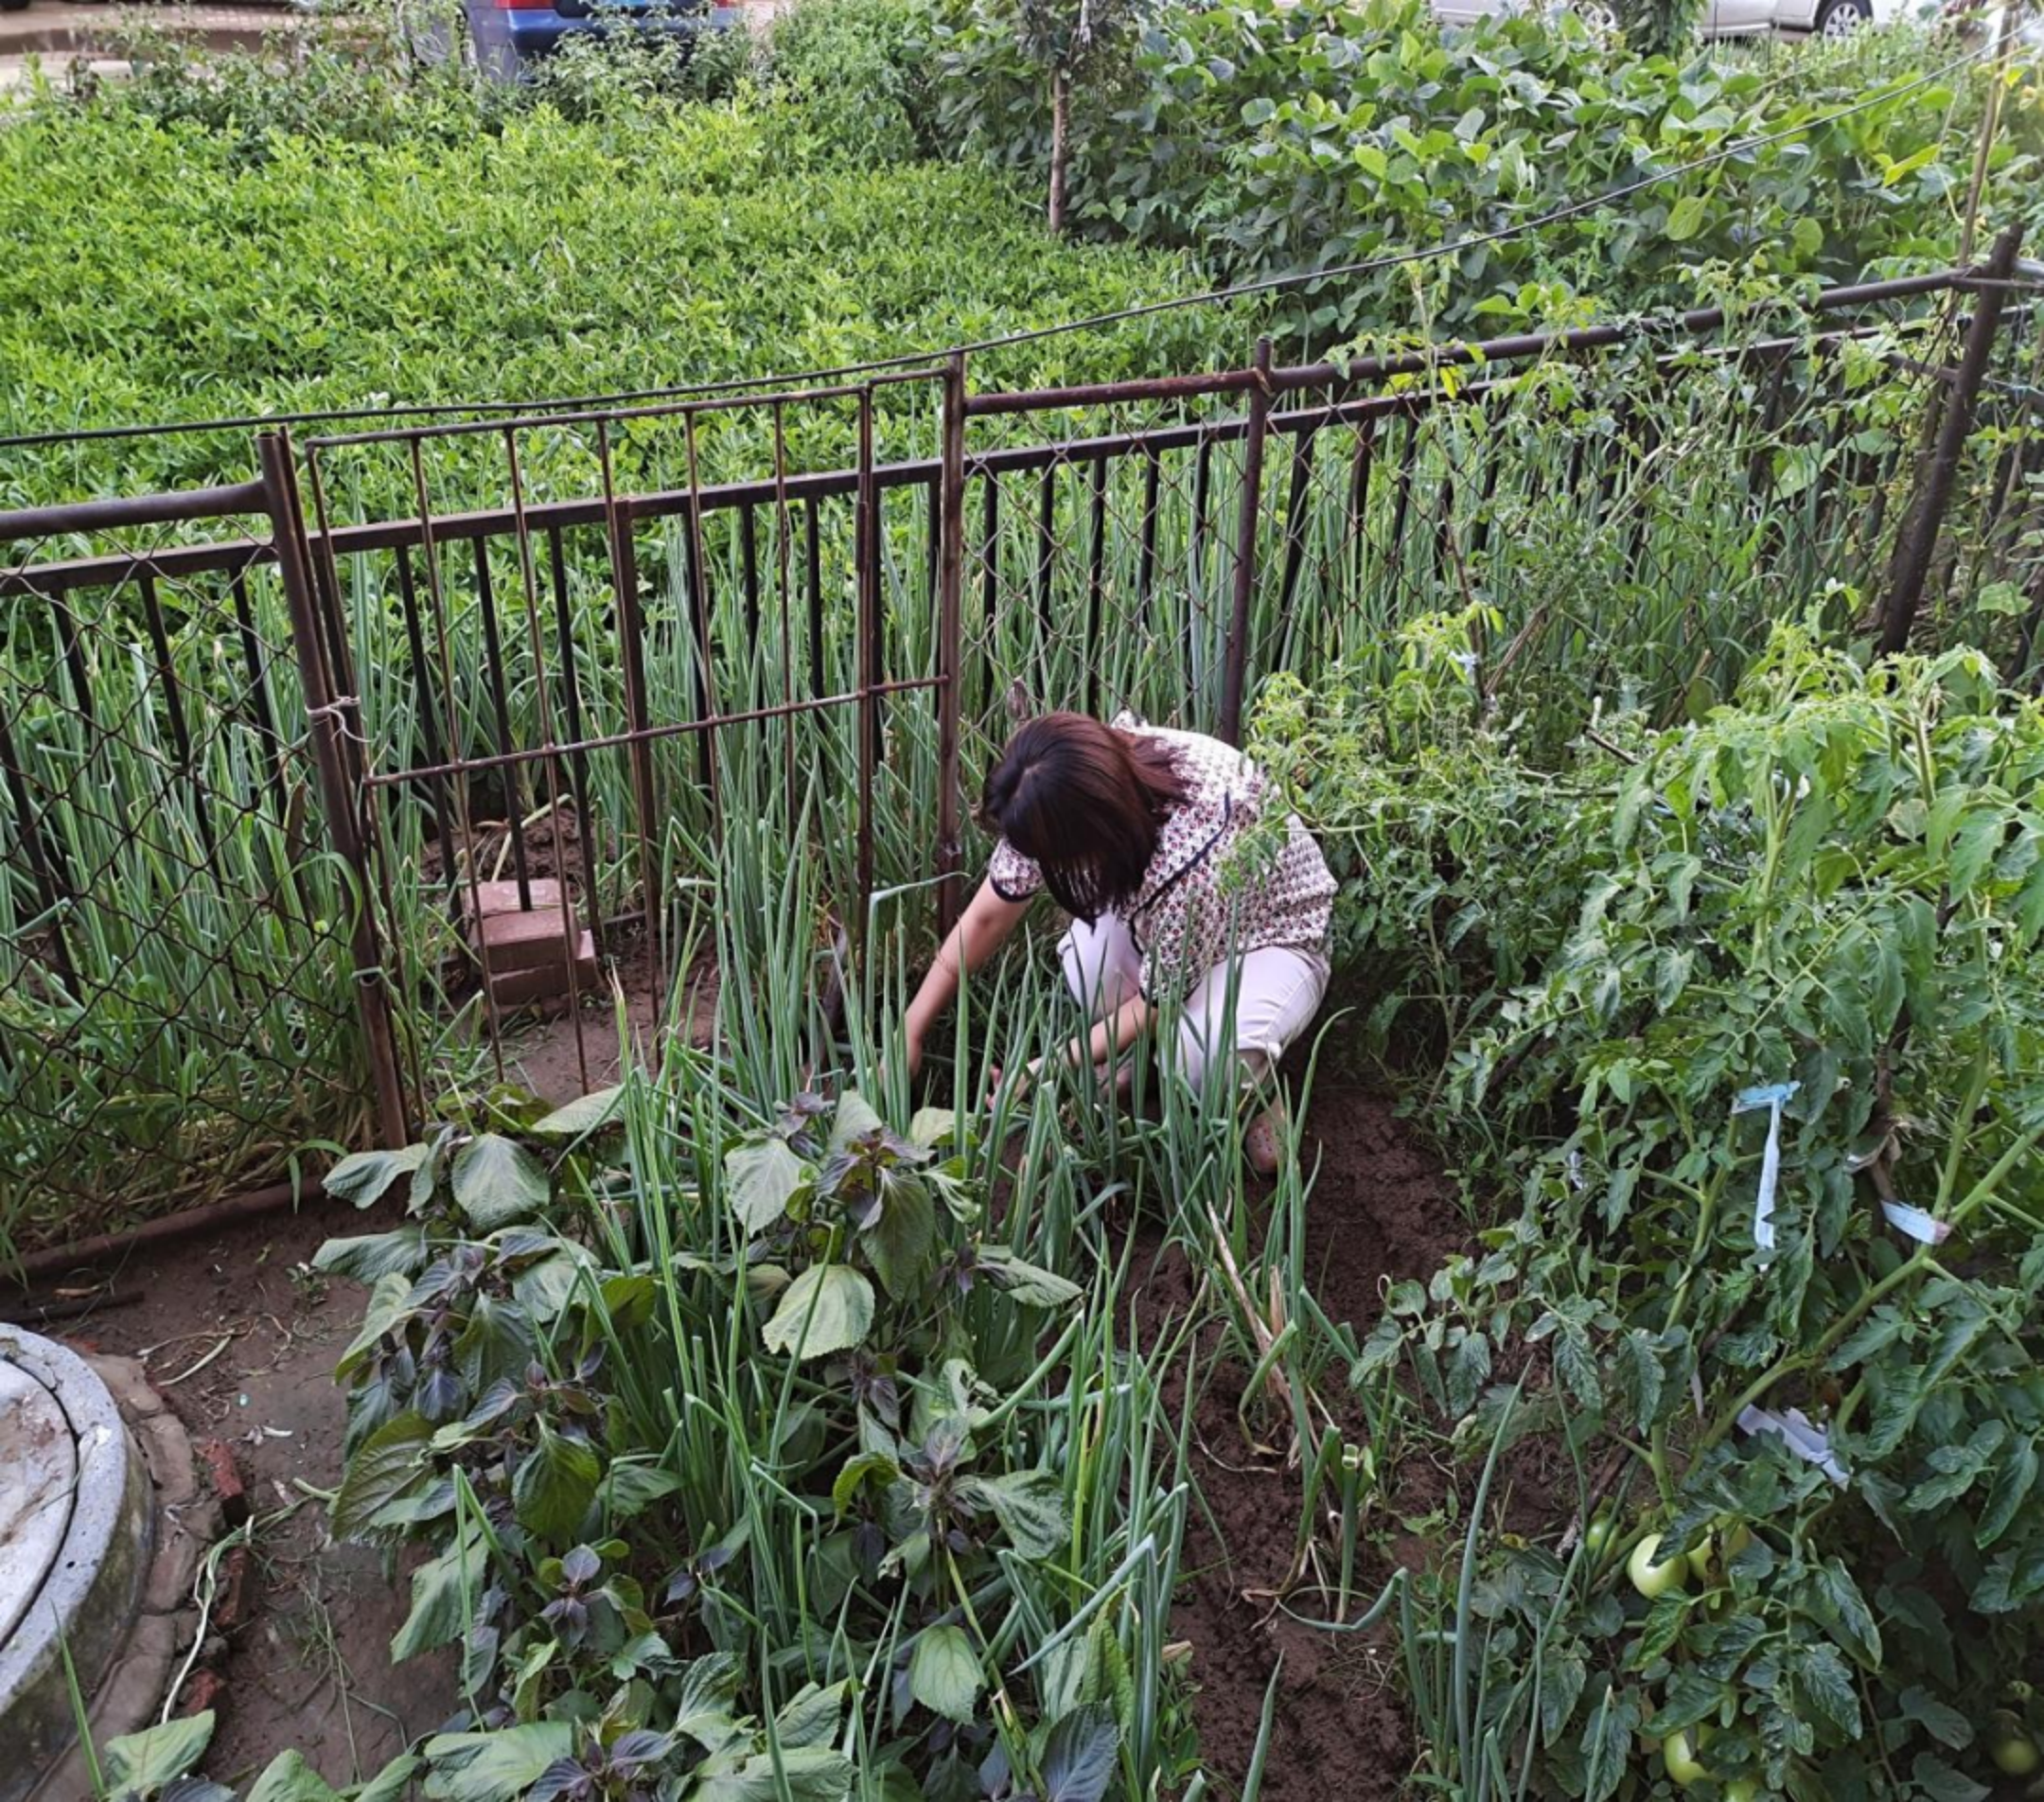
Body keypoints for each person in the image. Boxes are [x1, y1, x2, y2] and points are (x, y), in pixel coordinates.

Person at [901, 709, 1336, 1173]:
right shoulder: (1064, 784)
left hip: (1272, 939)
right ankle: (1139, 1063)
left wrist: (1045, 1066)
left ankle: (1258, 1093)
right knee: (1087, 969)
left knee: (1203, 1062)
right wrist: (909, 1030)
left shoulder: (1193, 849)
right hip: (1173, 931)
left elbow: (1156, 1001)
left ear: (1098, 835)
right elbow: (988, 916)